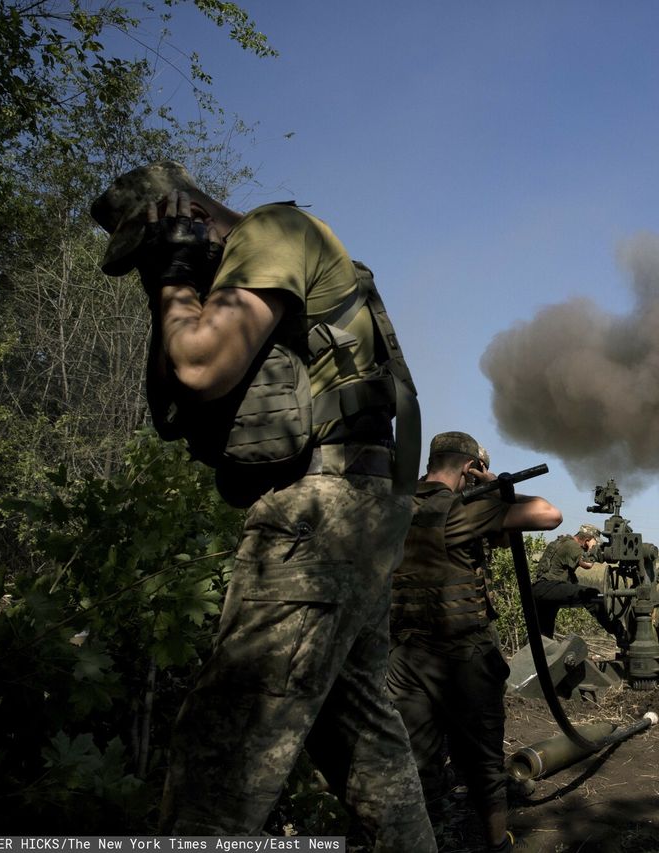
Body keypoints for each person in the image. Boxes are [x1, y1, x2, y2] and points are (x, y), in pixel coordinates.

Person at [90, 161, 435, 848]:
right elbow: (174, 399)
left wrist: (175, 275)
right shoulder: (274, 255)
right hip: (357, 512)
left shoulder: (273, 232)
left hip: (318, 516)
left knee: (223, 750)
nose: (148, 271)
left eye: (147, 248)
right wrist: (178, 278)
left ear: (179, 215)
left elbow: (197, 364)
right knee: (364, 744)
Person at [387, 431, 561, 852]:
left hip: (403, 658)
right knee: (483, 760)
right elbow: (548, 514)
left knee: (418, 759)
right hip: (464, 656)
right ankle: (497, 842)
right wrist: (490, 488)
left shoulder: (394, 504)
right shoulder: (458, 509)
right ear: (469, 468)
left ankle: (428, 839)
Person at [531, 523, 626, 643]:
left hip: (540, 591)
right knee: (593, 596)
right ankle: (620, 633)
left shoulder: (562, 542)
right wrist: (593, 548)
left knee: (543, 637)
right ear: (587, 540)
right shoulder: (572, 545)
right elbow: (587, 564)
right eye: (594, 543)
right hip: (549, 587)